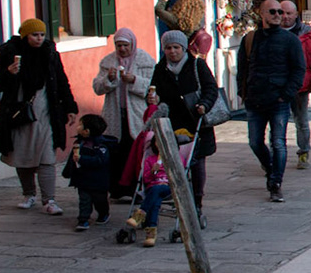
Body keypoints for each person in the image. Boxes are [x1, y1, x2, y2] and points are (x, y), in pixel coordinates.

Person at [0, 19, 77, 215]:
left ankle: (49, 200)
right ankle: (28, 194)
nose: (39, 38)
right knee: (22, 154)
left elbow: (61, 80)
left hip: (47, 113)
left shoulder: (50, 53)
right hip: (20, 114)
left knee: (47, 156)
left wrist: (70, 107)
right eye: (35, 35)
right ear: (25, 36)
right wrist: (9, 73)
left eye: (42, 34)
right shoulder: (9, 53)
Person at [238, 0, 305, 201]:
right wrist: (244, 93)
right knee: (255, 142)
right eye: (273, 12)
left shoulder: (290, 40)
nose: (279, 15)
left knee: (278, 142)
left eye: (281, 12)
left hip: (278, 100)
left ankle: (276, 182)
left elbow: (298, 69)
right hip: (255, 100)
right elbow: (242, 70)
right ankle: (270, 169)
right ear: (263, 14)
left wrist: (286, 94)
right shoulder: (250, 39)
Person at [155, 30, 217, 221]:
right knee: (173, 162)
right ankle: (176, 197)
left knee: (196, 163)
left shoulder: (197, 65)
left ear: (183, 48)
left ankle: (197, 201)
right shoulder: (160, 69)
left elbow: (210, 88)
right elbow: (155, 90)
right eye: (168, 48)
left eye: (176, 47)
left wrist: (204, 105)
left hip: (196, 120)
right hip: (173, 122)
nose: (172, 52)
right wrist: (154, 99)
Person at [91, 27, 155, 200]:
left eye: (125, 45)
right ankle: (117, 190)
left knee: (136, 150)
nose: (122, 49)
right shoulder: (108, 61)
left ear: (132, 44)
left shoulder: (145, 60)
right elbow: (97, 88)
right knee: (115, 151)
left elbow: (153, 87)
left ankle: (137, 188)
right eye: (119, 45)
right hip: (115, 114)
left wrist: (134, 80)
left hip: (136, 114)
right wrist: (109, 80)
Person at [122, 121, 189, 248]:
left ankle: (140, 215)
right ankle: (150, 232)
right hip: (153, 187)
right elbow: (146, 179)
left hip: (169, 187)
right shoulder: (150, 160)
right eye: (158, 143)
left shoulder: (176, 158)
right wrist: (153, 171)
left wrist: (167, 166)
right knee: (155, 200)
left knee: (156, 191)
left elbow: (179, 175)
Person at [282, 0, 311, 168]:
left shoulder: (308, 33)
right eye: (282, 13)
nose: (285, 17)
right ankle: (278, 154)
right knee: (278, 122)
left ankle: (304, 151)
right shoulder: (271, 33)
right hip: (278, 85)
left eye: (289, 13)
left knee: (301, 120)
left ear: (296, 15)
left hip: (300, 85)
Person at [63, 113, 116, 232]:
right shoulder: (79, 143)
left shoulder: (101, 146)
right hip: (83, 179)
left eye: (80, 125)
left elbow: (100, 161)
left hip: (98, 180)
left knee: (100, 200)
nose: (77, 127)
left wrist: (82, 159)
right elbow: (71, 161)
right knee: (84, 200)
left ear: (87, 131)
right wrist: (68, 171)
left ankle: (103, 214)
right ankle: (83, 219)